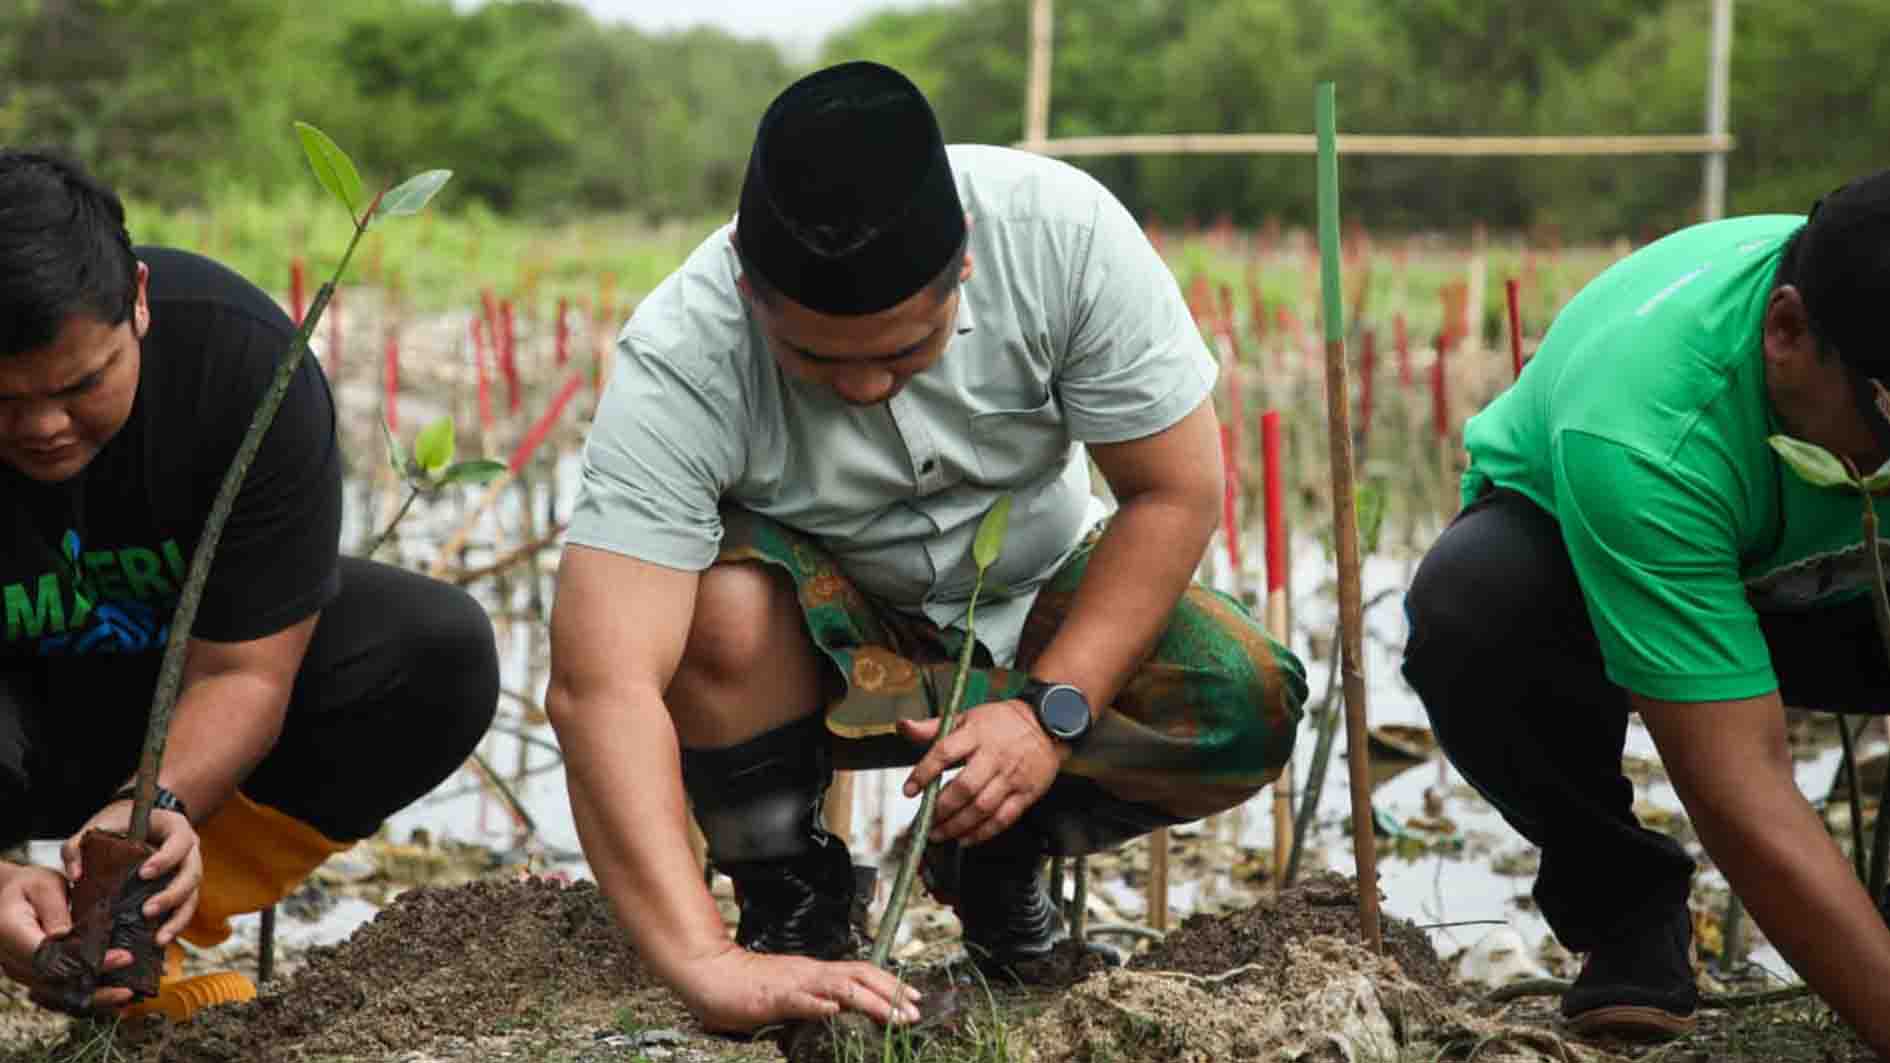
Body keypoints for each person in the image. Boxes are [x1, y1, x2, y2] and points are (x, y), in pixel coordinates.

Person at [547, 60, 1306, 1034]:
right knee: (717, 606)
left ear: (967, 269)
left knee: (1244, 695)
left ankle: (992, 850)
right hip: (824, 649)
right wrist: (702, 962)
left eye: (907, 351)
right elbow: (599, 683)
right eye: (816, 361)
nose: (864, 388)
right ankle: (793, 909)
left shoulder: (1065, 239)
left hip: (1039, 608)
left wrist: (1048, 713)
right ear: (750, 291)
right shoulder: (681, 355)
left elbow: (1177, 490)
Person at [0, 149, 499, 1015]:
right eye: (1, 400)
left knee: (436, 650)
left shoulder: (241, 363)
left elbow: (244, 672)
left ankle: (125, 941)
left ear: (141, 302)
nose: (44, 426)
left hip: (163, 699)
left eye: (82, 383)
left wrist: (150, 806)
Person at [1403, 171, 1890, 1053]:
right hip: (1587, 575)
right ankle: (1626, 908)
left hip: (1845, 581)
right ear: (1786, 332)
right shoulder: (1644, 425)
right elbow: (1744, 784)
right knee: (1473, 612)